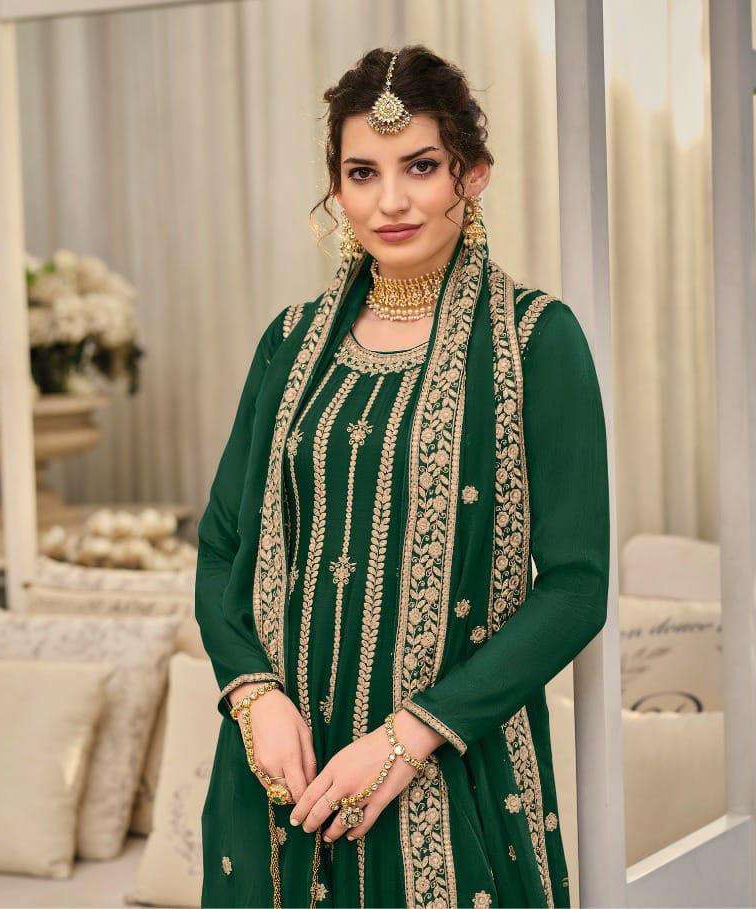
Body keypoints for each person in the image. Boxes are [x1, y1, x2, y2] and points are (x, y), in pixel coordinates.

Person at [196, 45, 609, 909]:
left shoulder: (536, 341)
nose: (390, 200)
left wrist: (410, 735)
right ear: (336, 189)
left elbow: (576, 587)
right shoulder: (289, 343)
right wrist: (253, 694)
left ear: (473, 174)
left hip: (448, 765)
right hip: (282, 770)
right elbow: (224, 544)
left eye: (420, 166)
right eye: (362, 173)